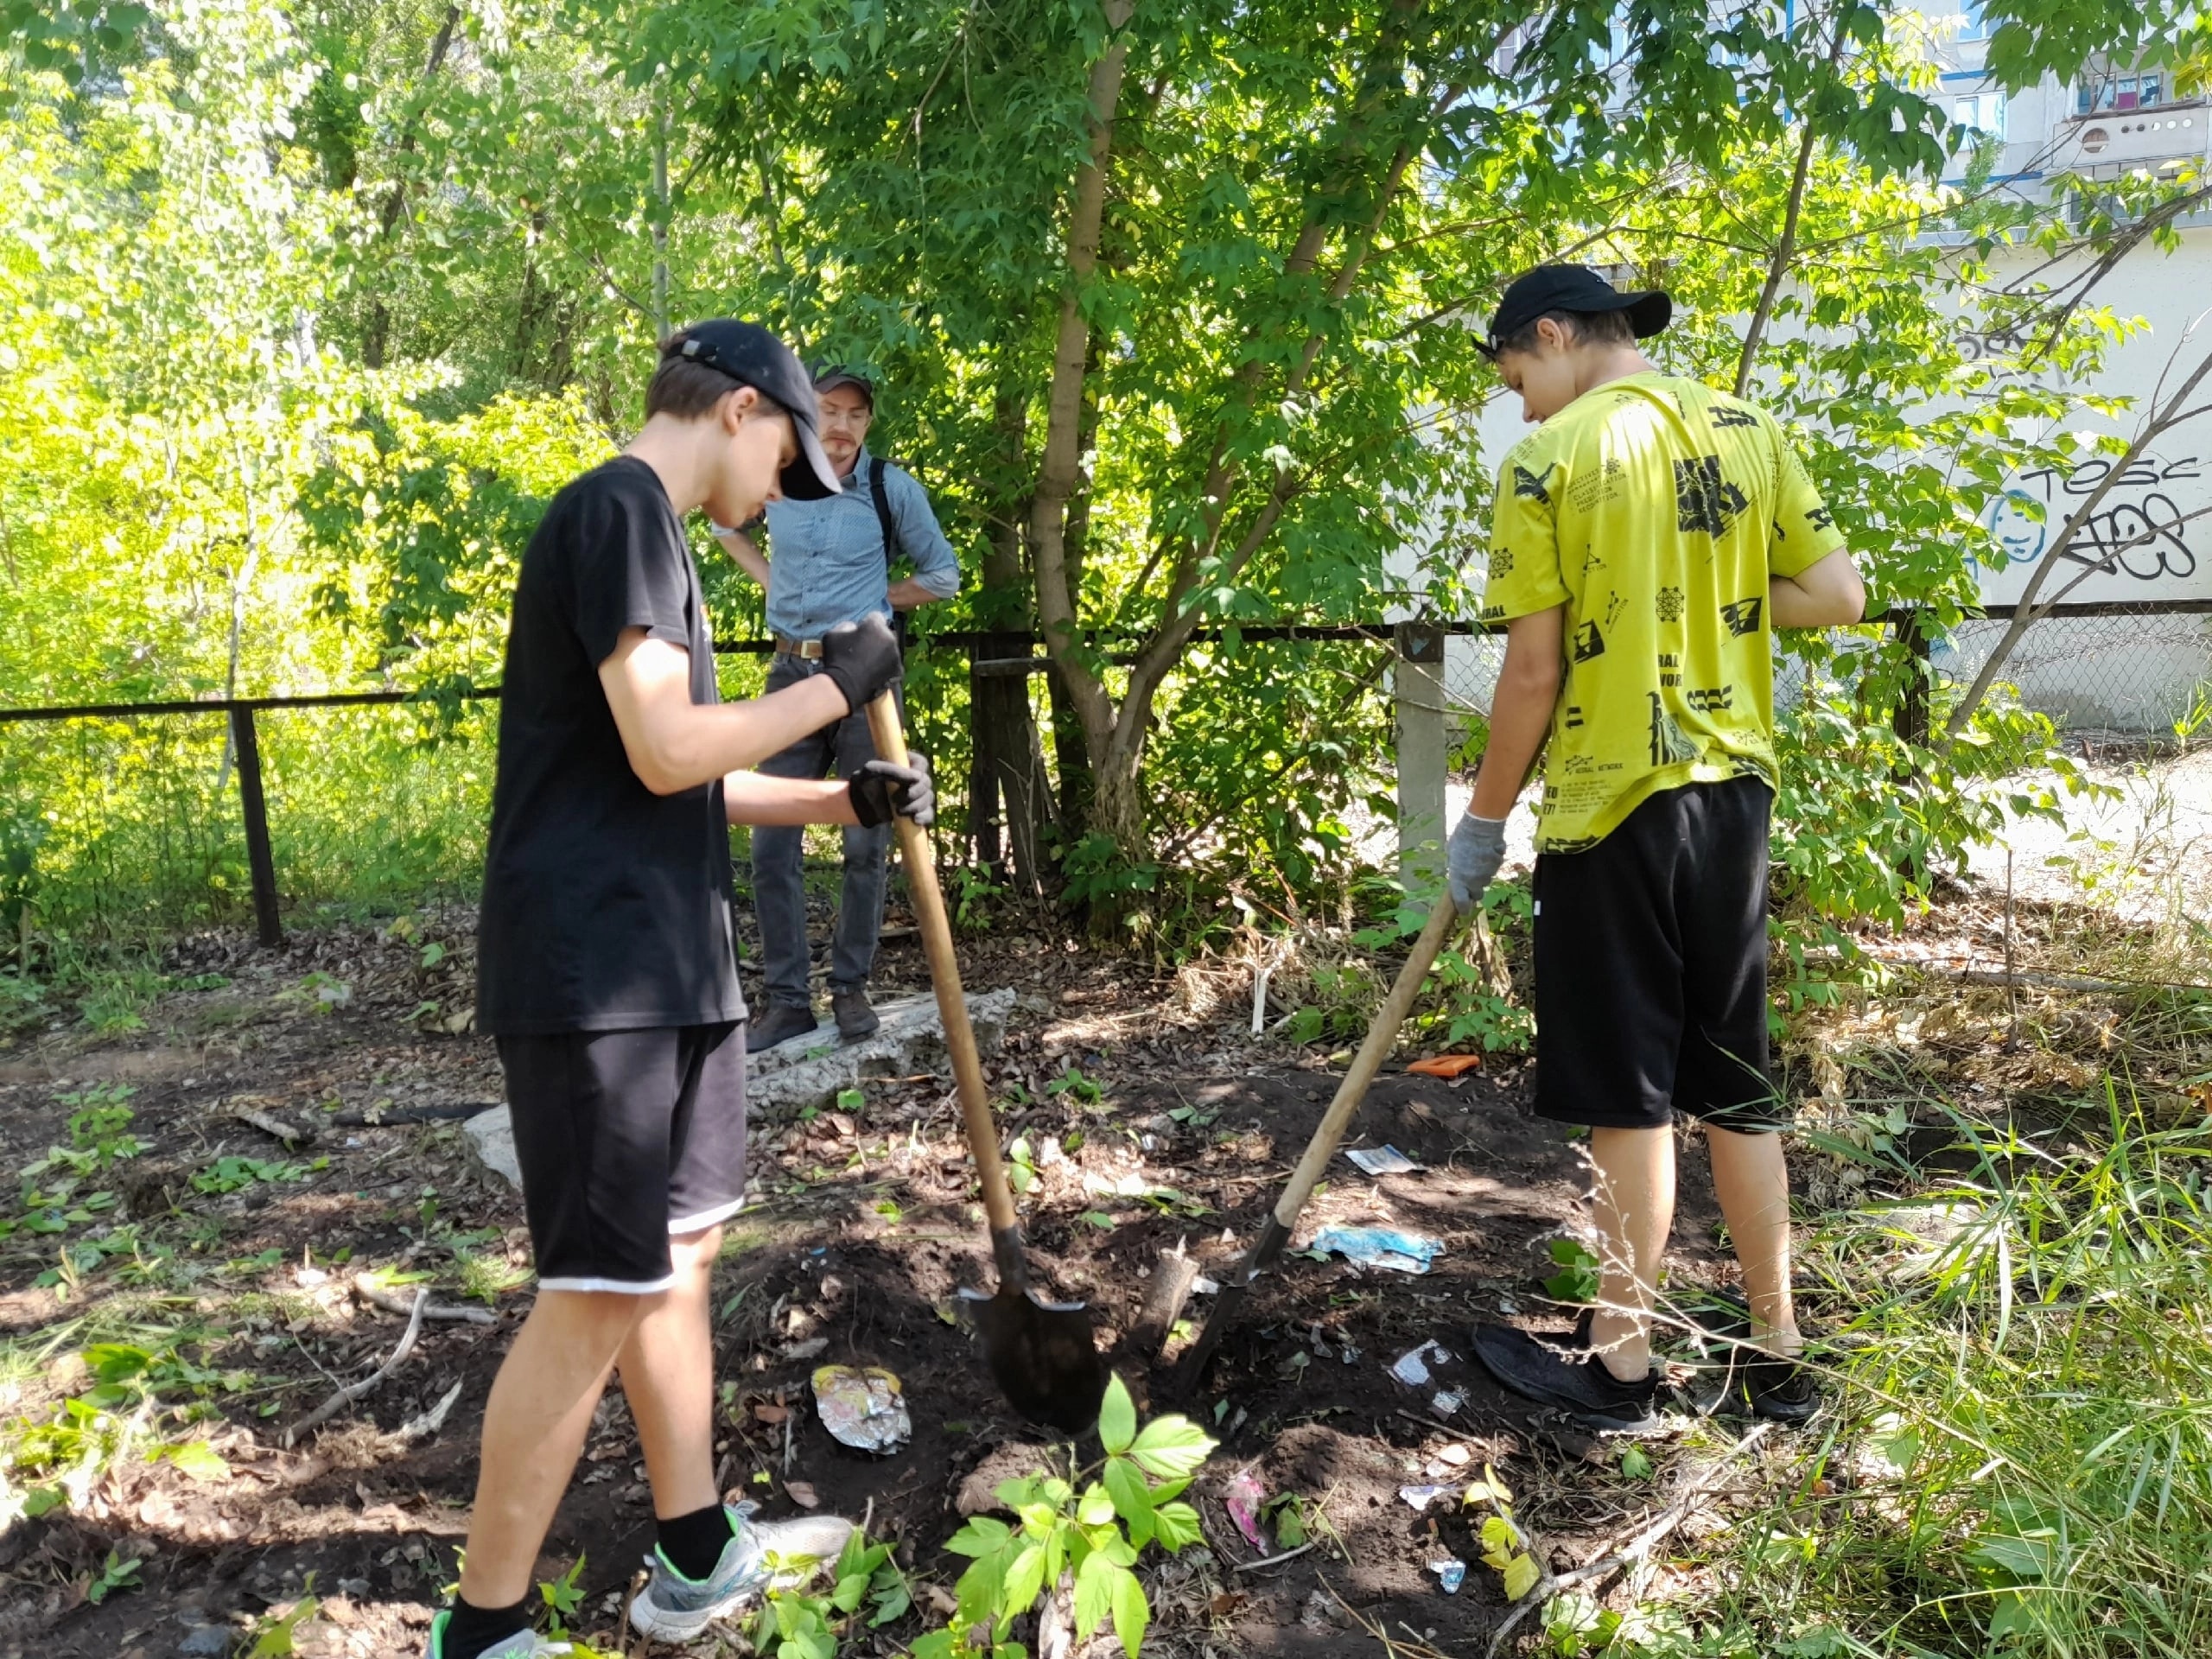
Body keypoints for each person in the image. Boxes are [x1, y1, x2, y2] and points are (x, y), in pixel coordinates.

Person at [443, 321, 935, 1659]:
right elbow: (667, 749)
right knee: (600, 1287)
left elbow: (691, 769)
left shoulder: (657, 542)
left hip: (668, 960)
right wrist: (834, 681)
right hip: (595, 971)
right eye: (787, 452)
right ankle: (480, 1635)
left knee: (681, 1256)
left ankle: (696, 1554)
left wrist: (841, 794)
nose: (787, 485)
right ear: (734, 411)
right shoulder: (619, 511)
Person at [1450, 266, 1866, 1433]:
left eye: (1516, 377)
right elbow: (1836, 592)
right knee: (1737, 1082)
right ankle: (1777, 1349)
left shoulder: (1552, 459)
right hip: (1732, 800)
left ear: (1550, 336)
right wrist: (1709, 591)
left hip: (1612, 803)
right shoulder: (1748, 427)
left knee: (1627, 1096)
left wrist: (1482, 820)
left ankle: (1624, 1361)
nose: (1522, 406)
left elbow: (1533, 673)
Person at [711, 367, 961, 1051]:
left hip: (864, 685)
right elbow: (723, 523)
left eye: (855, 414)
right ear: (806, 416)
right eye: (828, 410)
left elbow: (944, 576)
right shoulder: (780, 481)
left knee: (865, 840)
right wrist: (772, 580)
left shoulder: (889, 489)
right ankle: (788, 1001)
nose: (841, 425)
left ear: (868, 424)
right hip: (790, 675)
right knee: (769, 845)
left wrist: (874, 600)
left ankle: (851, 990)